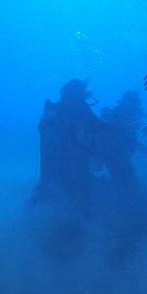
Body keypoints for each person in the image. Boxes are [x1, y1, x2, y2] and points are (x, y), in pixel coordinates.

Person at [34, 79, 100, 209]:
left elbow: (96, 125)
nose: (78, 100)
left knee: (80, 192)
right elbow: (49, 140)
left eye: (80, 96)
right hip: (60, 162)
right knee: (50, 188)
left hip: (76, 163)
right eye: (75, 95)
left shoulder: (83, 109)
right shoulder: (53, 113)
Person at [96, 91, 147, 191]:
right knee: (127, 185)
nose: (138, 106)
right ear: (128, 103)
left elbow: (129, 139)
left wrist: (143, 148)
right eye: (135, 103)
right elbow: (118, 138)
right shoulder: (118, 116)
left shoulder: (125, 117)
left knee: (126, 184)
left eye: (138, 103)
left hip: (119, 156)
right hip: (114, 156)